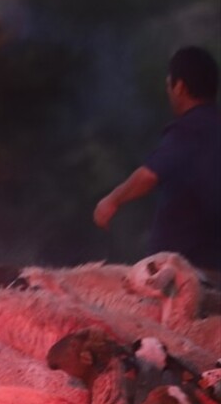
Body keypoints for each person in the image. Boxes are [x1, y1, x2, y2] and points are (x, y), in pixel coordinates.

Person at [93, 45, 221, 275]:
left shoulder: (189, 129)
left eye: (169, 84)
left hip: (184, 273)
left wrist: (112, 200)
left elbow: (149, 174)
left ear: (179, 87)